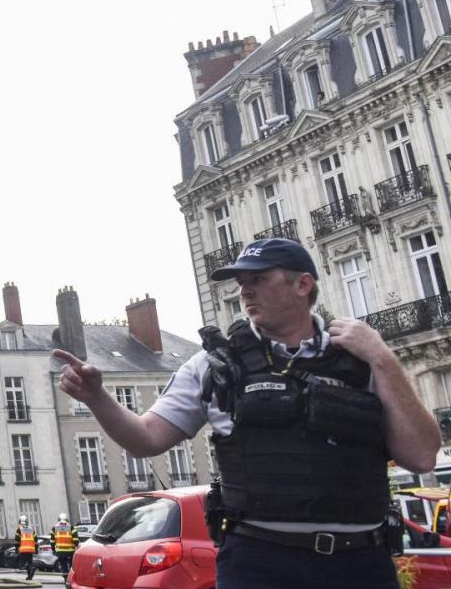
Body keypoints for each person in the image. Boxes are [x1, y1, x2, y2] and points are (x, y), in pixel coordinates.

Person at [53, 238, 439, 589]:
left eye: (258, 278)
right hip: (259, 562)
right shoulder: (214, 364)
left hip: (359, 563)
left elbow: (421, 455)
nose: (244, 290)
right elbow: (146, 437)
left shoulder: (360, 357)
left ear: (302, 284)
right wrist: (97, 396)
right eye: (240, 282)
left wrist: (384, 358)